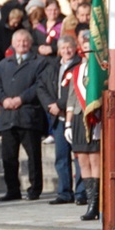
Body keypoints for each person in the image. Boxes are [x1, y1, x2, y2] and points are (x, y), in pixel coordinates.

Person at [0, 29, 48, 201]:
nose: (22, 44)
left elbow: (39, 85)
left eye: (25, 41)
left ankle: (35, 189)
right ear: (13, 43)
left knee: (33, 155)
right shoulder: (3, 64)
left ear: (30, 43)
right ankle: (12, 190)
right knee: (8, 157)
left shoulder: (39, 62)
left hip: (28, 115)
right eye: (18, 41)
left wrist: (21, 98)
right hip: (7, 117)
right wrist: (3, 100)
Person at [38, 35, 86, 205]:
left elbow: (75, 91)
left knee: (79, 156)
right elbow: (41, 86)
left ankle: (81, 192)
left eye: (69, 47)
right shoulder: (52, 66)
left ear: (75, 47)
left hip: (76, 117)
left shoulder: (80, 65)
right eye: (63, 48)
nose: (66, 51)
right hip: (58, 118)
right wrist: (50, 106)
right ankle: (64, 192)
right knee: (61, 156)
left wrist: (60, 104)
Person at [64, 31, 101, 219]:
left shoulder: (102, 69)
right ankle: (90, 203)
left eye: (91, 48)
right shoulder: (77, 70)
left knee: (95, 160)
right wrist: (68, 124)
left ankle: (98, 205)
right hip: (78, 118)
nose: (88, 51)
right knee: (82, 161)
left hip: (95, 118)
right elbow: (71, 99)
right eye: (85, 48)